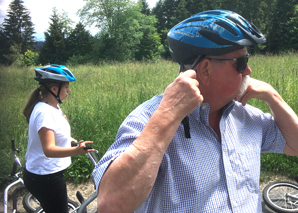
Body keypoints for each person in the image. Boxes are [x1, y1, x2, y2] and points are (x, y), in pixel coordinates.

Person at [92, 10, 298, 212]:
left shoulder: (245, 115)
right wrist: (168, 115)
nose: (248, 71)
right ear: (205, 70)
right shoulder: (150, 119)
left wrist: (273, 96)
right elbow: (112, 204)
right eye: (241, 63)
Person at [23, 64, 94, 213]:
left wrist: (74, 142)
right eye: (66, 86)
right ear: (54, 89)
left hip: (45, 175)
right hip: (45, 177)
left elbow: (59, 135)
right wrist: (76, 151)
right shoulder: (45, 113)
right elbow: (49, 149)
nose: (69, 90)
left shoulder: (52, 106)